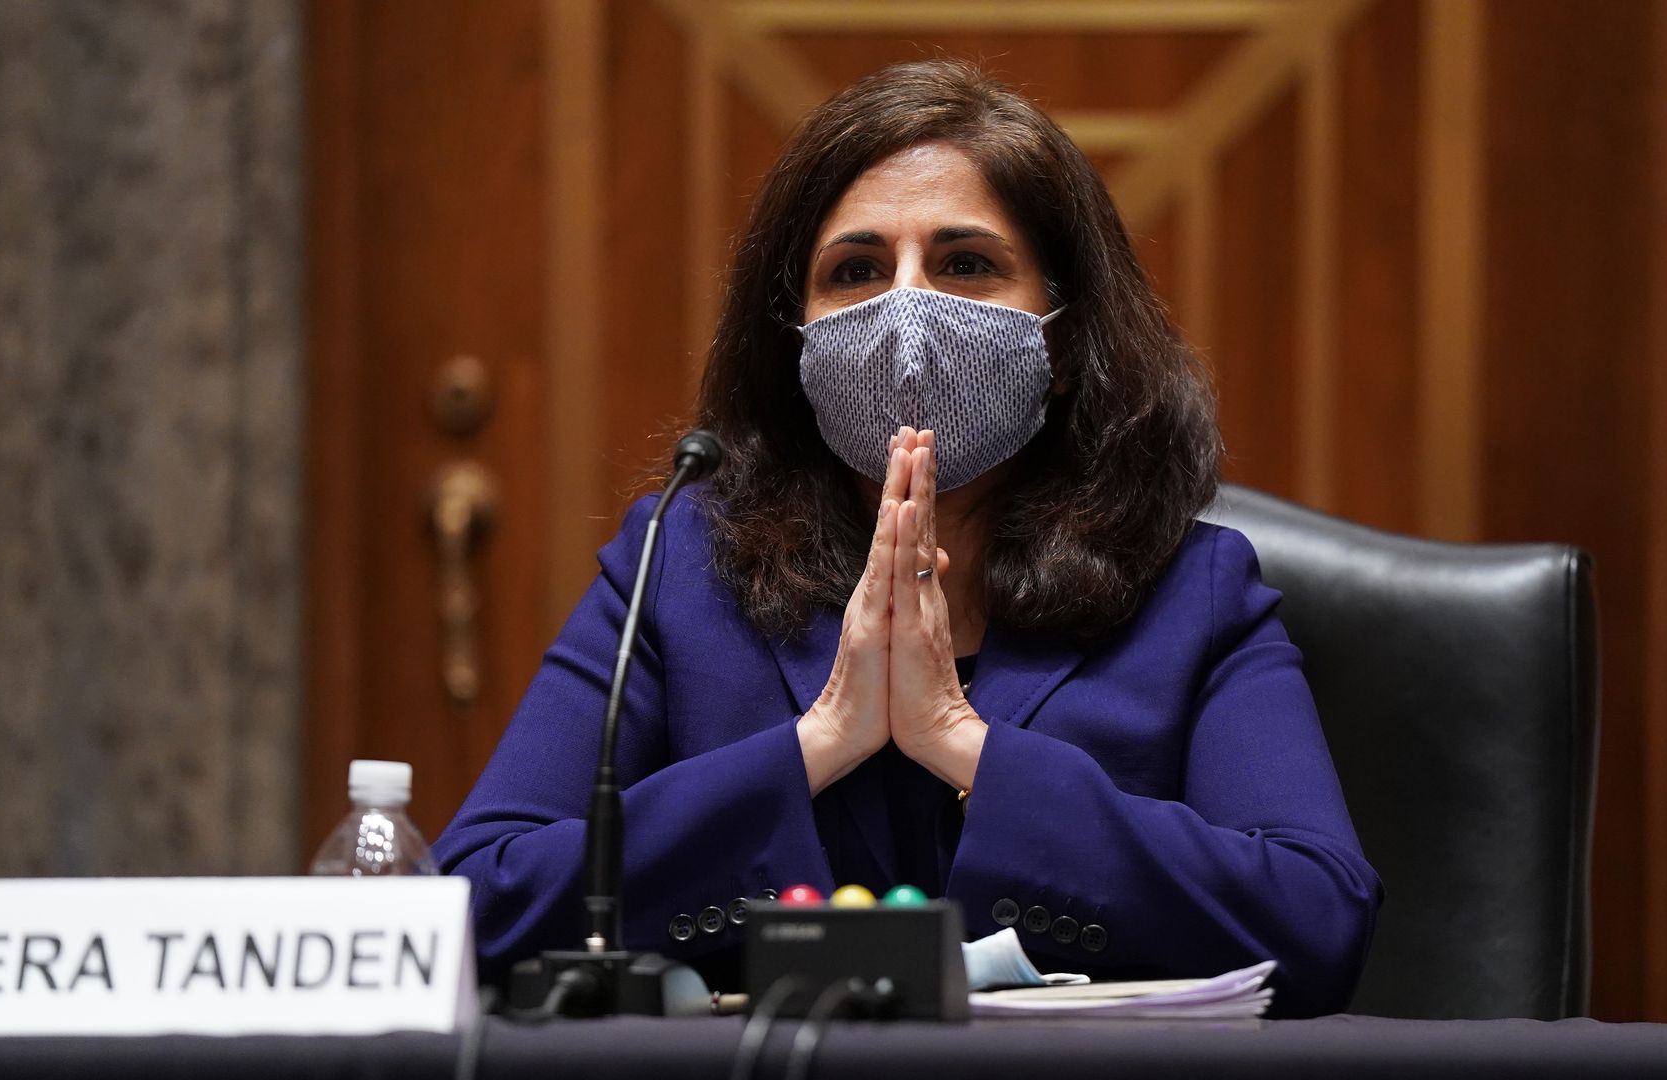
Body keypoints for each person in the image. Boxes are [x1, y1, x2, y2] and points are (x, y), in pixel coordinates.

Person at [434, 59, 1379, 1018]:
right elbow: (470, 903)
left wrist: (966, 746)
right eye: (856, 271)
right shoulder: (681, 564)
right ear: (795, 344)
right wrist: (817, 744)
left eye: (966, 263)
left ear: (1062, 345)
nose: (907, 315)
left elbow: (1317, 923)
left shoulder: (1191, 589)